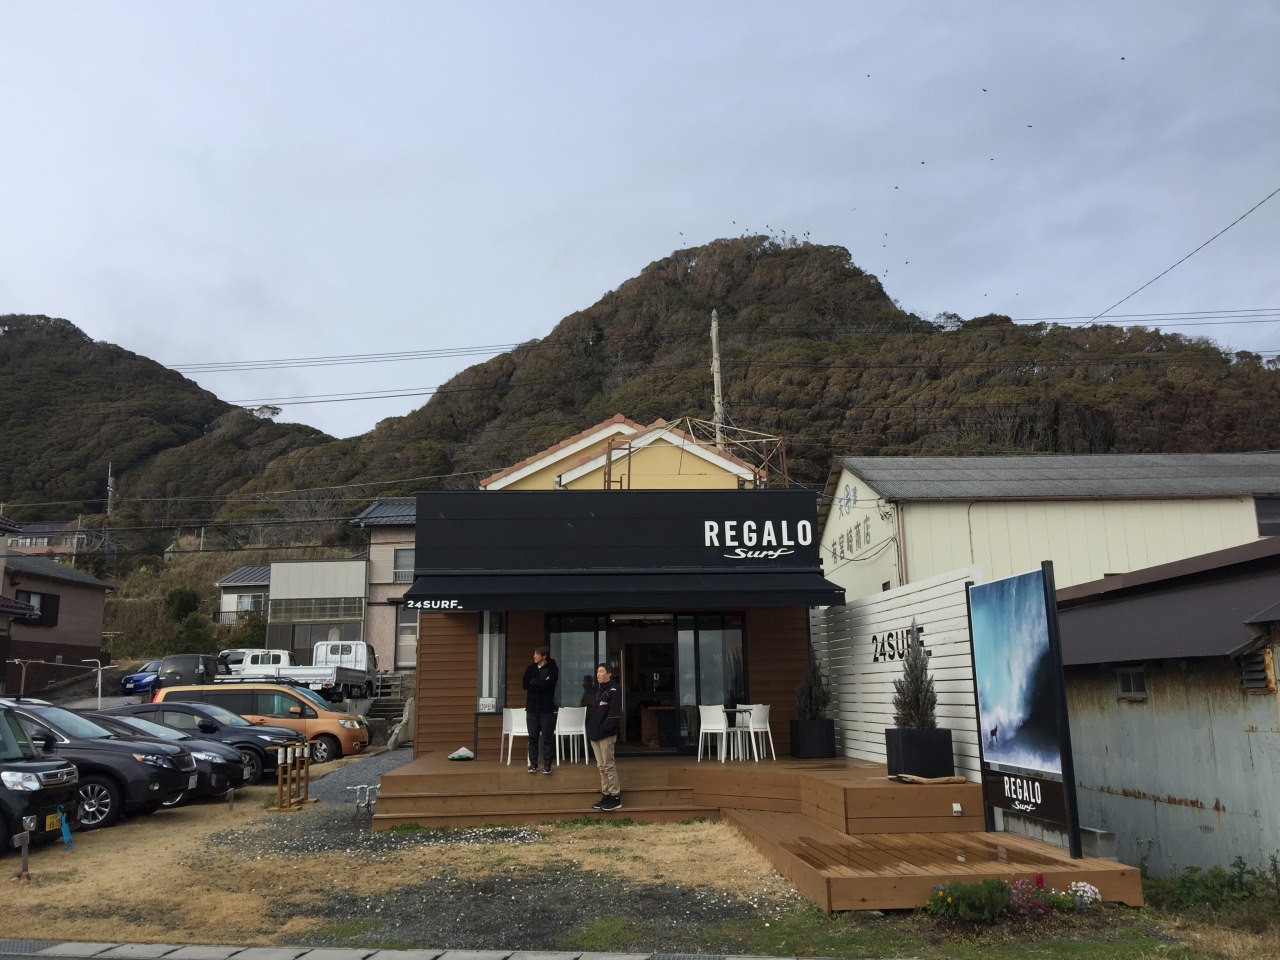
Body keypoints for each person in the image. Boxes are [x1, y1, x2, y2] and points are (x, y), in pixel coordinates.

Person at [586, 661, 622, 810]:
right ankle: (606, 795)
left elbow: (614, 716)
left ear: (609, 674)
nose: (598, 674)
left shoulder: (613, 690)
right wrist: (591, 730)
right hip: (595, 735)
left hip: (606, 735)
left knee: (608, 765)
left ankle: (615, 797)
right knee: (601, 766)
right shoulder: (600, 691)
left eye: (601, 672)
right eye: (597, 672)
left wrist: (601, 730)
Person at [522, 645, 559, 774]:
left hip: (546, 709)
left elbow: (549, 685)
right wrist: (541, 682)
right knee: (532, 737)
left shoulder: (553, 668)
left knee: (548, 737)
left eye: (536, 654)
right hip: (531, 709)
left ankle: (548, 764)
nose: (534, 656)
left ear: (544, 656)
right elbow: (525, 684)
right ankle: (533, 764)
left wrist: (534, 682)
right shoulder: (530, 668)